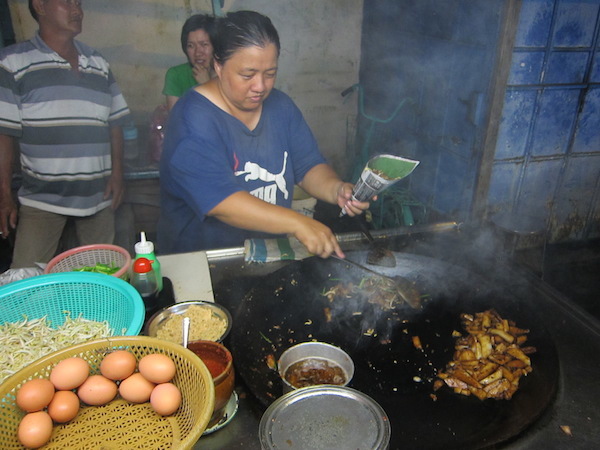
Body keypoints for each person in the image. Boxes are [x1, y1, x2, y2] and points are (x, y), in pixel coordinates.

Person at [158, 10, 369, 258]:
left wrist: (336, 190)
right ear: (218, 65)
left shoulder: (281, 107)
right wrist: (298, 223)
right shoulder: (192, 119)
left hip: (267, 254)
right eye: (247, 75)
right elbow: (222, 203)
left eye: (270, 74)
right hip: (204, 261)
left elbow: (308, 165)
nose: (260, 86)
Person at [0, 0, 131, 268]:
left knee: (105, 280)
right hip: (42, 200)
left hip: (97, 197)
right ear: (39, 5)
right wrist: (4, 194)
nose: (77, 9)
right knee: (27, 283)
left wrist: (117, 173)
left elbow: (115, 122)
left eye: (78, 2)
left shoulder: (97, 62)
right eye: (67, 1)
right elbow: (5, 133)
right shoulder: (14, 62)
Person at [163, 14, 216, 110]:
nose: (198, 52)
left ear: (215, 46)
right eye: (191, 46)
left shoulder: (226, 74)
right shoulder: (176, 75)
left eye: (204, 44)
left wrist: (206, 85)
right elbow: (176, 119)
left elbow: (225, 118)